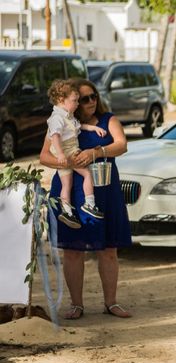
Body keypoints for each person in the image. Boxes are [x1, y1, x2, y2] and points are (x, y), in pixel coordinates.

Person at [40, 78, 132, 320]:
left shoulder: (107, 120)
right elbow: (44, 157)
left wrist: (96, 152)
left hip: (104, 190)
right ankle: (76, 305)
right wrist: (68, 161)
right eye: (84, 98)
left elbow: (121, 145)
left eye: (94, 96)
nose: (91, 102)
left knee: (109, 249)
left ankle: (111, 303)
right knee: (72, 250)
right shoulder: (62, 121)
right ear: (72, 100)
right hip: (71, 190)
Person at [47, 79, 106, 229]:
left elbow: (80, 126)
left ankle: (67, 212)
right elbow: (54, 136)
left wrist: (93, 128)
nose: (78, 104)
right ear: (62, 100)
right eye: (75, 100)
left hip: (65, 154)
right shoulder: (57, 118)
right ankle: (89, 204)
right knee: (87, 174)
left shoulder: (68, 116)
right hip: (67, 152)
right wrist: (61, 154)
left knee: (67, 184)